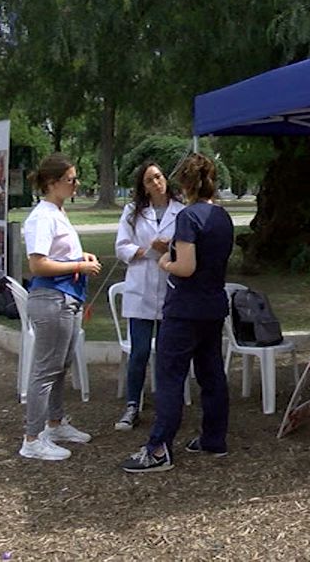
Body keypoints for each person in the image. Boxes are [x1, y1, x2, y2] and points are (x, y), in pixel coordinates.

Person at [121, 153, 234, 473]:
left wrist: (165, 262)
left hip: (184, 310)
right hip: (213, 307)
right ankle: (214, 438)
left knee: (169, 378)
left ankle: (158, 448)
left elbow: (185, 267)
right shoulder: (222, 217)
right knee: (212, 374)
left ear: (184, 183)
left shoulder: (188, 217)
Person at [18, 153, 102, 461]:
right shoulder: (43, 216)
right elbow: (38, 264)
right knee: (45, 369)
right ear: (53, 183)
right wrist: (78, 263)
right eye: (71, 180)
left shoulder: (57, 212)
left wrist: (83, 257)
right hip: (52, 299)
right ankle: (32, 437)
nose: (76, 184)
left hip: (68, 297)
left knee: (60, 365)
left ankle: (54, 423)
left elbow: (59, 254)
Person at [112, 162, 185, 430]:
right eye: (149, 180)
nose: (156, 183)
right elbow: (121, 248)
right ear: (142, 187)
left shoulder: (181, 210)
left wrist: (169, 248)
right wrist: (149, 250)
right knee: (140, 351)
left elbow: (188, 246)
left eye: (158, 176)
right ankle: (132, 405)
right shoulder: (133, 212)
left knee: (169, 352)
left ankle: (169, 406)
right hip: (140, 288)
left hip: (170, 288)